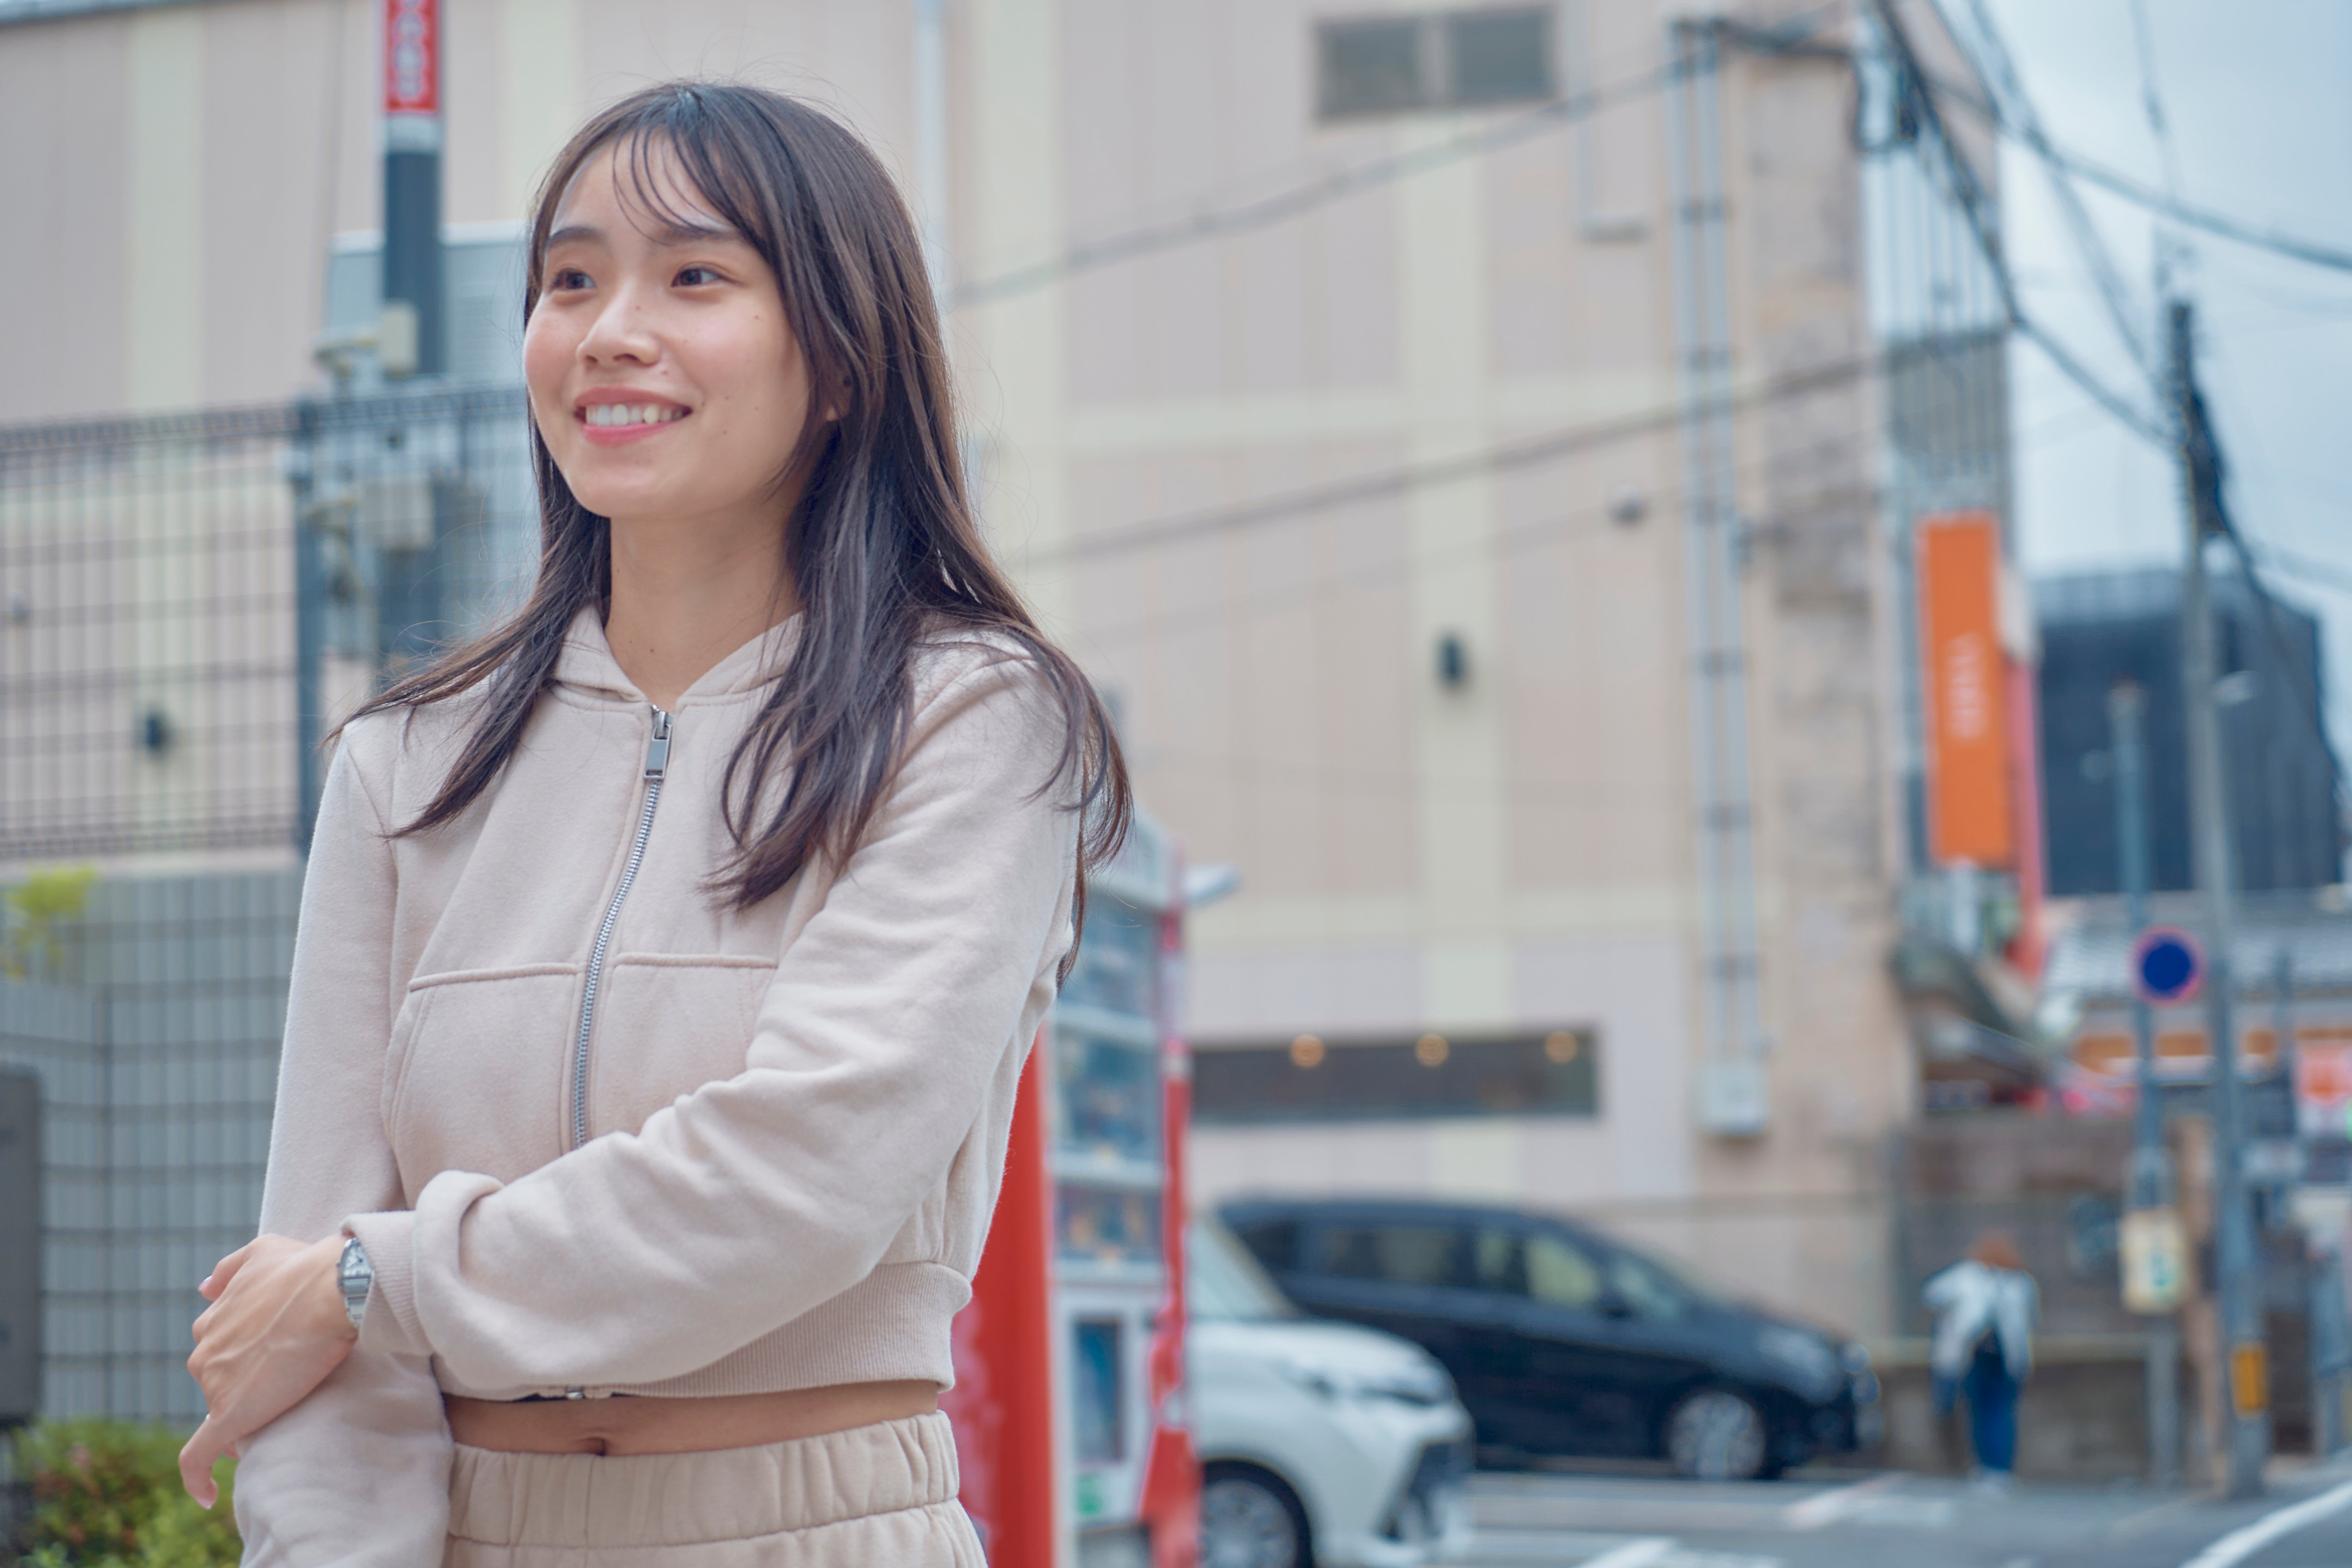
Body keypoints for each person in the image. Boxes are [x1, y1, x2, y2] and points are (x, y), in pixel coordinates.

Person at [174, 80, 1128, 1566]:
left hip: (818, 1524)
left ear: (841, 358)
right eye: (570, 280)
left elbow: (798, 1180)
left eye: (694, 275)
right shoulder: (410, 760)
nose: (610, 330)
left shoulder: (967, 717)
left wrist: (377, 1279)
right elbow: (315, 1302)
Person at [1923, 1230, 2038, 1491]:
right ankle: (1996, 1468)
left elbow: (1931, 1295)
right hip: (1988, 1357)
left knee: (1990, 1413)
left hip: (1992, 1359)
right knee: (1992, 1413)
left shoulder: (1979, 1278)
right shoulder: (2010, 1282)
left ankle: (1993, 1468)